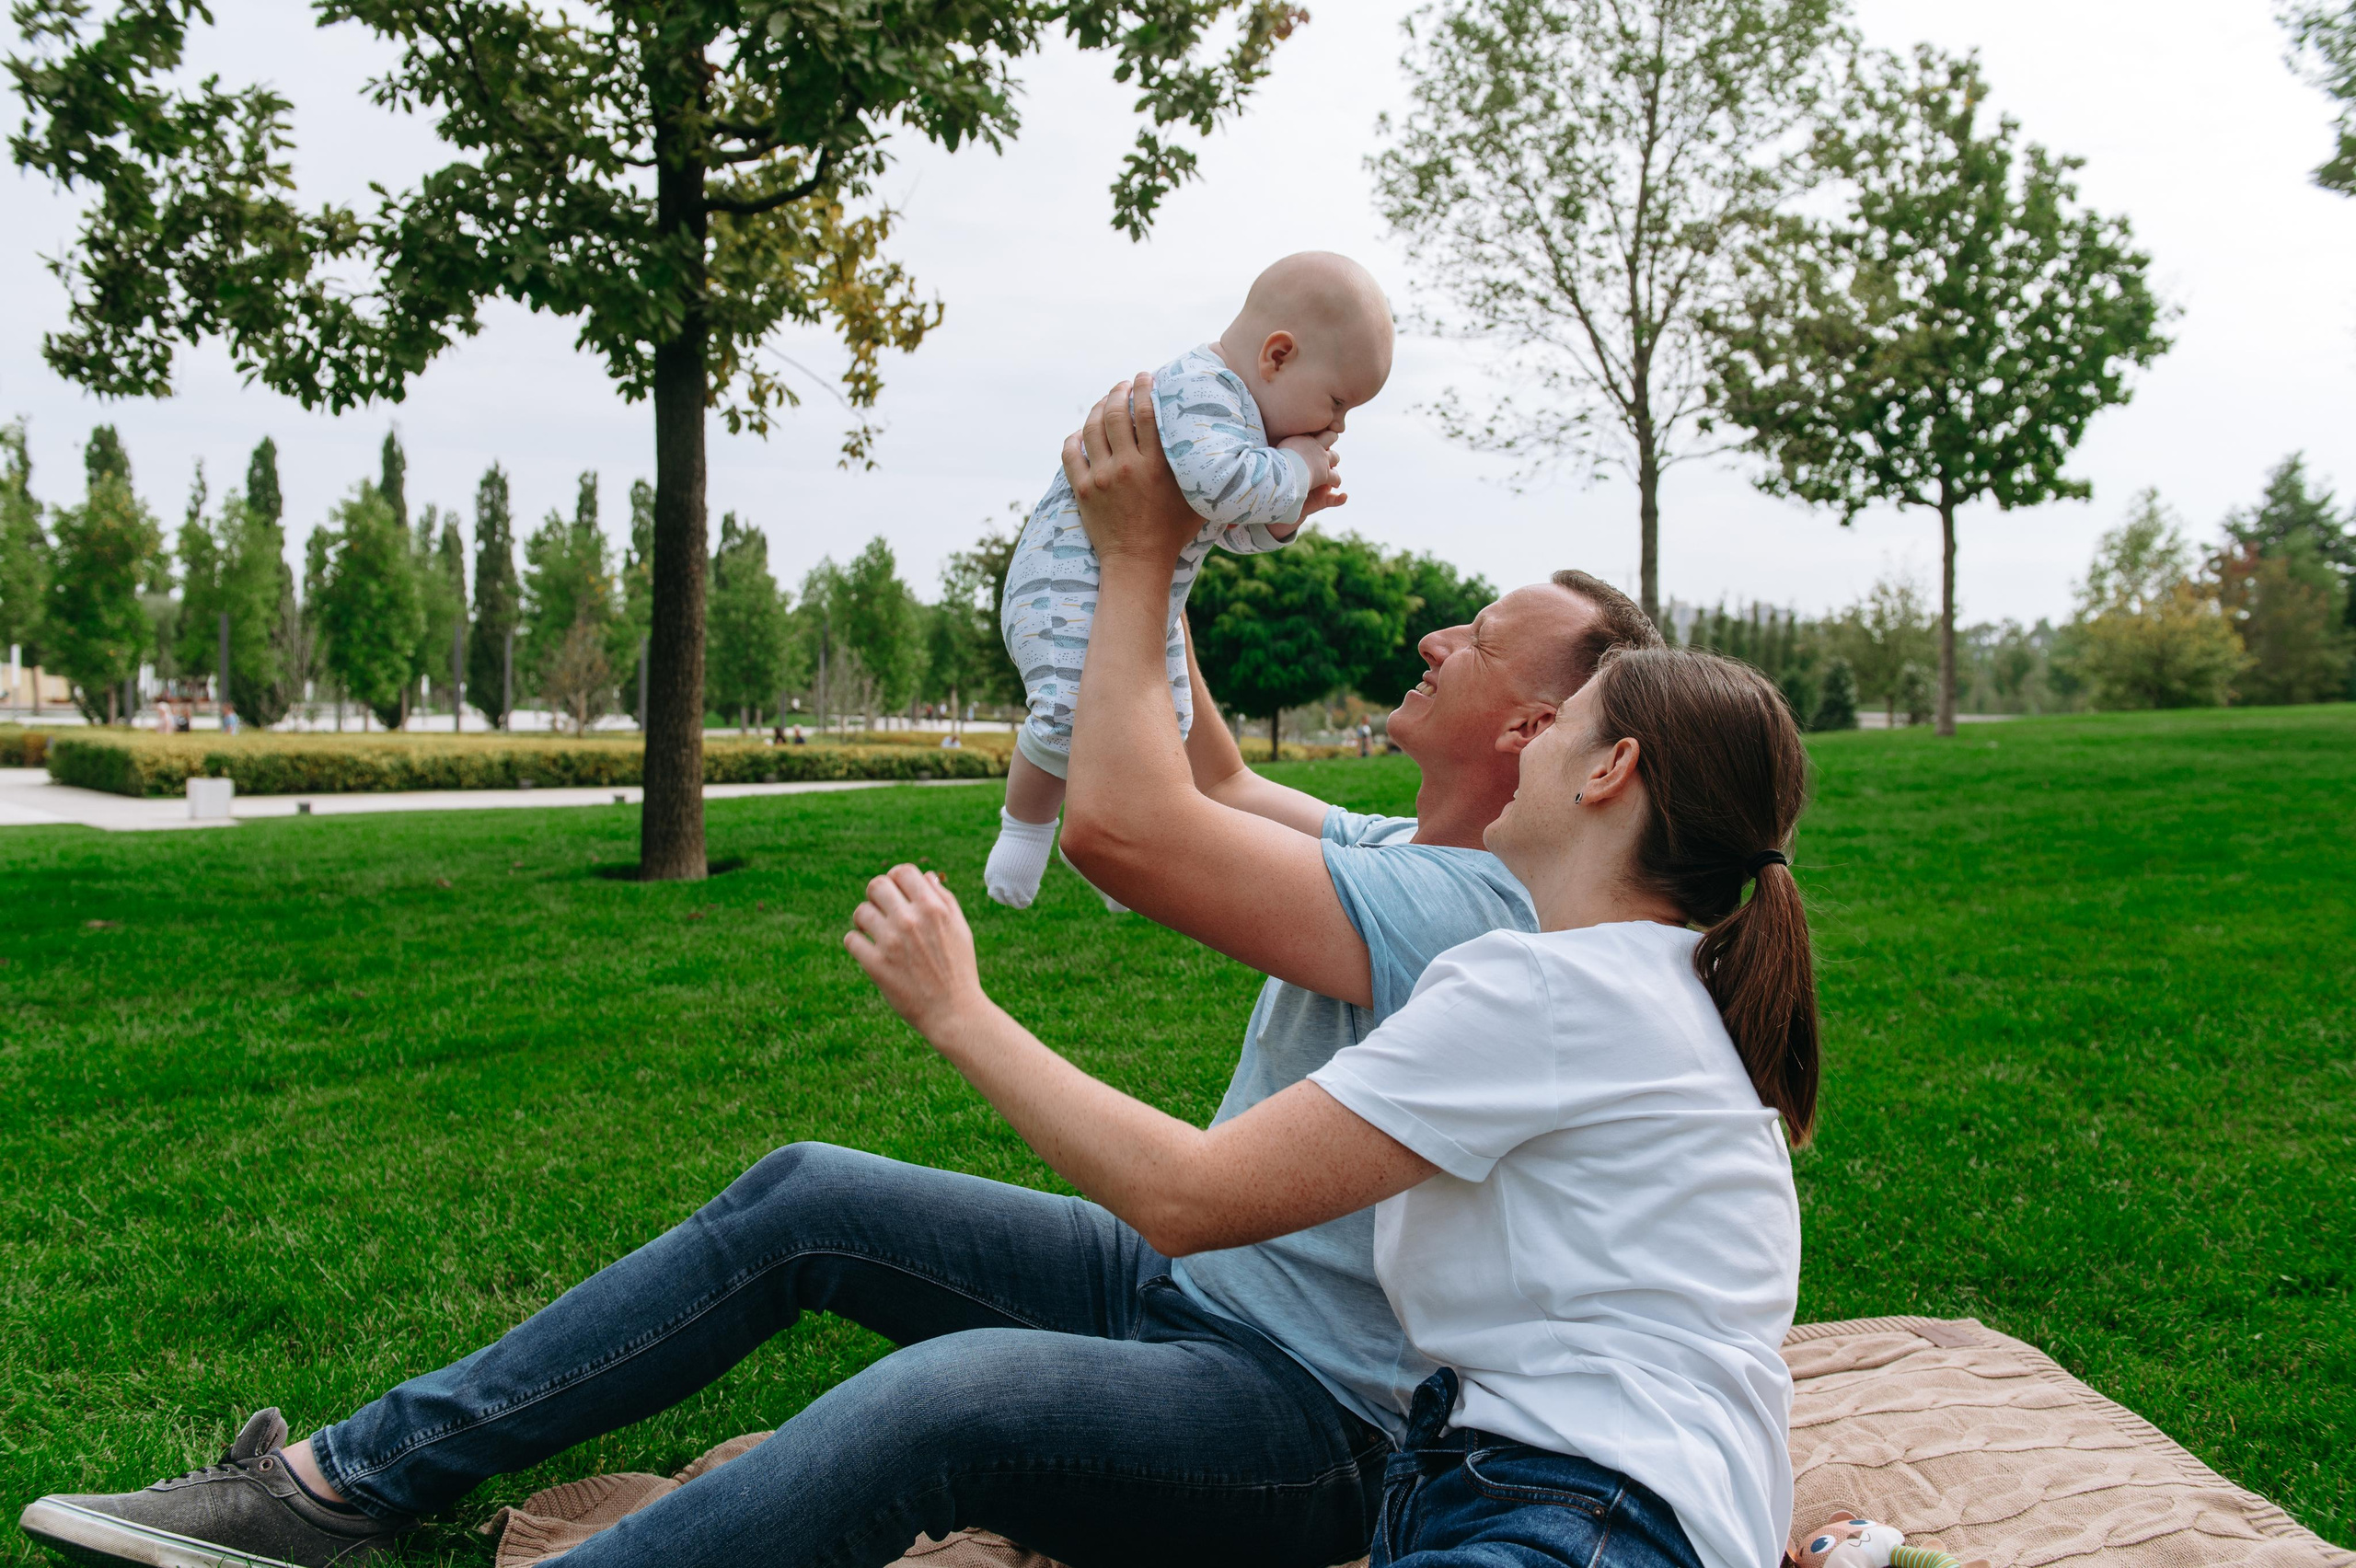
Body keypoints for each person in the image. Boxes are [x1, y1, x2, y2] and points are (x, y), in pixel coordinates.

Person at [18, 379, 1657, 1568]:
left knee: (940, 1403)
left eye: (1479, 635)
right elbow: (1206, 777)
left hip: (1305, 1420)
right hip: (1185, 1306)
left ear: (1537, 725)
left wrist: (1143, 544)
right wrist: (1177, 538)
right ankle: (332, 1488)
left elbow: (1127, 827)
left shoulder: (1485, 916)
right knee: (808, 1190)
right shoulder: (1399, 842)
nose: (1437, 633)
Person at [848, 640, 1814, 1568]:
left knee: (932, 1406)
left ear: (1611, 770)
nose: (1525, 739)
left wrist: (955, 1011)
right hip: (1585, 1501)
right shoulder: (1669, 982)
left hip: (1591, 1516)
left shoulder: (1548, 989)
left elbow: (1189, 1199)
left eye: (1555, 721)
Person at [985, 251, 1393, 911]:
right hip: (1062, 589)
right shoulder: (1202, 390)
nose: (1337, 426)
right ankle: (1025, 828)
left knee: (1162, 724)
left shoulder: (1237, 422)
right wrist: (1290, 470)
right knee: (1067, 712)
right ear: (1278, 357)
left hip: (1139, 596)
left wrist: (1287, 516)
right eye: (1338, 401)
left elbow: (1229, 526)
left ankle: (1113, 849)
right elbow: (1221, 485)